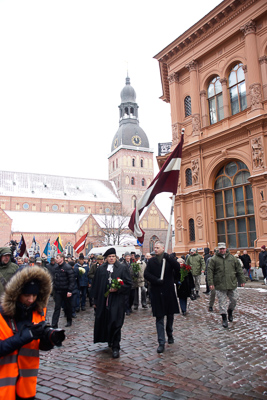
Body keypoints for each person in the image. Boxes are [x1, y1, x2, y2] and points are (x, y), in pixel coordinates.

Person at [0, 265, 65, 399]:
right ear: (16, 293)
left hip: (26, 387)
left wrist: (48, 341)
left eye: (34, 295)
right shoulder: (2, 314)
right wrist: (26, 336)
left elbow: (35, 346)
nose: (31, 300)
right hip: (4, 388)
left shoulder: (38, 311)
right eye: (26, 295)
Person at [90, 247, 131, 358]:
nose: (111, 258)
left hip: (117, 300)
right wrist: (95, 300)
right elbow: (96, 285)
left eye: (113, 256)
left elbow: (128, 284)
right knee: (106, 320)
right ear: (106, 258)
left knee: (116, 321)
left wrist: (119, 289)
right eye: (109, 257)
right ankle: (109, 340)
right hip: (103, 300)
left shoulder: (122, 268)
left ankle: (116, 346)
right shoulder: (101, 269)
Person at [144, 241, 180, 353]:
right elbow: (146, 274)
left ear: (163, 248)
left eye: (158, 247)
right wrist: (156, 280)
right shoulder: (151, 261)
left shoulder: (168, 260)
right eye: (155, 247)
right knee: (159, 318)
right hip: (157, 292)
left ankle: (169, 333)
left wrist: (168, 257)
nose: (155, 249)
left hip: (168, 292)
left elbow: (177, 267)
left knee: (170, 316)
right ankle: (161, 342)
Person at [207, 242, 246, 328]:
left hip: (231, 283)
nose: (222, 250)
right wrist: (210, 283)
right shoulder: (213, 259)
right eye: (220, 249)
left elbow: (239, 269)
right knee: (222, 302)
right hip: (220, 284)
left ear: (226, 248)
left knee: (234, 299)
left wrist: (242, 280)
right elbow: (210, 272)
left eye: (223, 248)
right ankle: (224, 318)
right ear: (218, 249)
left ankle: (230, 311)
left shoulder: (232, 258)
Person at [51, 253, 75, 328]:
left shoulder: (67, 267)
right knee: (57, 307)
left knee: (68, 307)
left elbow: (72, 280)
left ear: (62, 259)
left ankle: (69, 320)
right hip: (58, 290)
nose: (56, 259)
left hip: (66, 290)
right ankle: (54, 324)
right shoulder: (56, 268)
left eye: (57, 257)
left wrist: (70, 290)